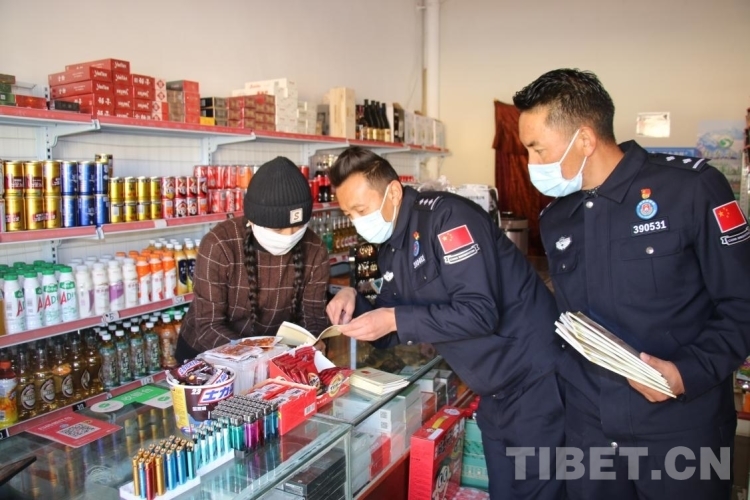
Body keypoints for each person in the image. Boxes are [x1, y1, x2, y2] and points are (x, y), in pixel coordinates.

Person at [513, 68, 750, 499]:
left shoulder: (691, 189)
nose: (531, 163)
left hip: (681, 426)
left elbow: (743, 303)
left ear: (584, 139)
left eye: (537, 148)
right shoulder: (557, 217)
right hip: (590, 429)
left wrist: (686, 373)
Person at [326, 146, 565, 499]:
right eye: (349, 214)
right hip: (494, 387)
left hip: (533, 378)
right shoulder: (392, 248)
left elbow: (479, 312)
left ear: (393, 192)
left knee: (537, 492)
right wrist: (354, 303)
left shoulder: (447, 218)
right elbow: (392, 326)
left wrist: (393, 318)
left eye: (361, 210)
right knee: (504, 489)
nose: (358, 221)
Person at [175, 157, 330, 362]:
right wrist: (257, 357)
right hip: (210, 353)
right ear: (253, 220)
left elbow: (313, 317)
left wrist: (313, 342)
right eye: (278, 229)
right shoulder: (219, 244)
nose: (289, 236)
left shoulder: (315, 249)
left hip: (275, 355)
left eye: (298, 227)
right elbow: (208, 325)